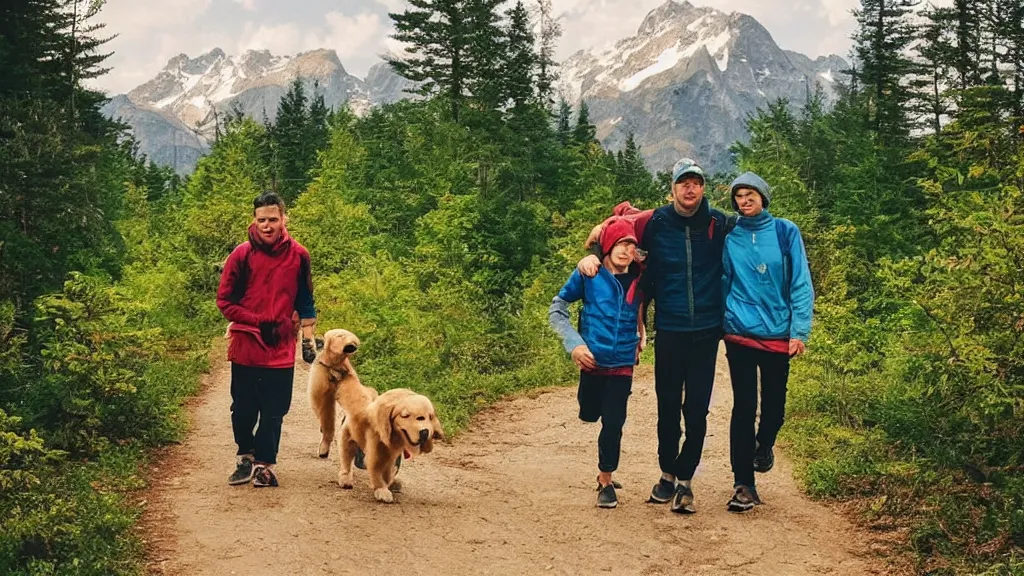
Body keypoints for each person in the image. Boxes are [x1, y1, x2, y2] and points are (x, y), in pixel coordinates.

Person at [578, 158, 732, 514]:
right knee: (666, 406)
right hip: (671, 329)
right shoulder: (656, 220)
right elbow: (616, 227)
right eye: (683, 183)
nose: (689, 189)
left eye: (695, 182)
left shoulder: (718, 222)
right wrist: (591, 254)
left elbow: (753, 226)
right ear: (673, 188)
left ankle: (686, 480)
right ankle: (666, 474)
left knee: (696, 408)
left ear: (703, 188)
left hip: (707, 330)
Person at [721, 172, 814, 512]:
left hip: (778, 331)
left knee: (774, 408)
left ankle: (764, 447)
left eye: (750, 194)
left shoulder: (785, 231)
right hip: (739, 330)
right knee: (744, 407)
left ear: (763, 196)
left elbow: (801, 281)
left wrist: (799, 331)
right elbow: (721, 278)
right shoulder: (730, 234)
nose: (744, 201)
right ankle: (743, 483)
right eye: (739, 196)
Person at [217, 191, 320, 488]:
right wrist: (257, 320)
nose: (267, 226)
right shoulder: (241, 255)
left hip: (280, 345)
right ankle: (245, 457)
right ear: (254, 220)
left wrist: (307, 338)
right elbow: (224, 302)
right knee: (244, 407)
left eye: (273, 219)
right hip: (247, 344)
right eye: (261, 220)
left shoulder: (299, 255)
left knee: (275, 409)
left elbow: (305, 298)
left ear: (284, 219)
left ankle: (264, 464)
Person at [549, 217, 646, 509]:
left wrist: (642, 337)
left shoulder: (642, 277)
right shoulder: (589, 274)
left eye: (631, 244)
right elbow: (558, 308)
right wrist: (574, 344)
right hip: (592, 361)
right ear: (607, 247)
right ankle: (603, 459)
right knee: (590, 413)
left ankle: (605, 479)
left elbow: (651, 217)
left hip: (623, 363)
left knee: (614, 422)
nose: (625, 249)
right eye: (619, 243)